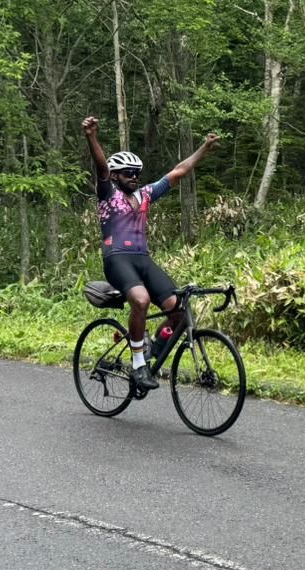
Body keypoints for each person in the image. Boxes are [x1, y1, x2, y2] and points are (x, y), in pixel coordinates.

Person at [82, 116, 218, 393]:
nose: (133, 176)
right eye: (127, 173)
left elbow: (178, 171)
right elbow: (100, 166)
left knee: (179, 311)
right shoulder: (108, 194)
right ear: (116, 176)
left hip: (143, 260)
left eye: (136, 173)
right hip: (117, 259)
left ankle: (154, 345)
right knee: (141, 300)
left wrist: (204, 148)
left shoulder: (145, 195)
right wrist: (91, 137)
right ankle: (138, 363)